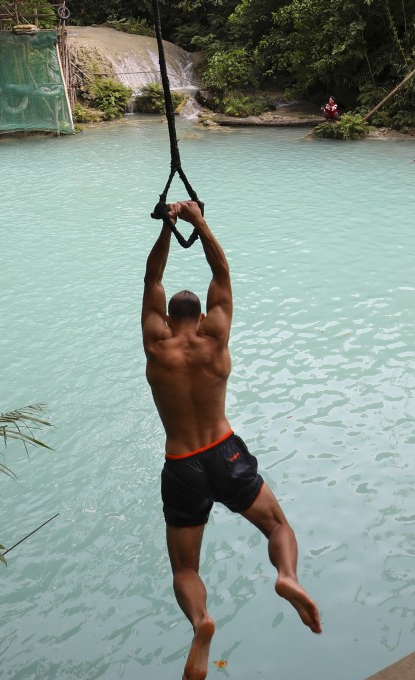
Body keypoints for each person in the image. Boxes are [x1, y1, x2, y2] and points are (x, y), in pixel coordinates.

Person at [142, 201, 322, 680]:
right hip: (225, 452)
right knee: (278, 527)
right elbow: (221, 269)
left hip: (181, 464)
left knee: (185, 568)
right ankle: (286, 577)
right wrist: (198, 222)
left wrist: (167, 228)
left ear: (166, 319)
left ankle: (201, 622)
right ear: (202, 317)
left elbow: (152, 282)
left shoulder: (156, 345)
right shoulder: (215, 336)